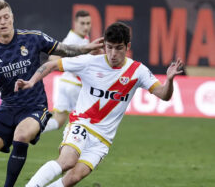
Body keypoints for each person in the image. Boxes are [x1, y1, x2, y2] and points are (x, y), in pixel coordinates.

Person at [15, 22, 184, 187]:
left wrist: (169, 80)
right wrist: (31, 81)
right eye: (109, 47)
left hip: (103, 138)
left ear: (127, 46)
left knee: (73, 178)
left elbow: (164, 95)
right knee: (67, 161)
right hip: (82, 124)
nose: (112, 53)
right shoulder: (90, 62)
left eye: (118, 48)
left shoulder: (138, 71)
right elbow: (52, 64)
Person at [0, 0, 103, 187]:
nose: (3, 22)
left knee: (22, 135)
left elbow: (63, 49)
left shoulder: (33, 37)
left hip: (34, 106)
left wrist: (86, 48)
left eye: (6, 17)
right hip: (8, 108)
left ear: (12, 18)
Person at [44, 10, 91, 132]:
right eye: (82, 23)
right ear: (75, 23)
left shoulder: (82, 38)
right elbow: (53, 57)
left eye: (88, 23)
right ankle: (72, 145)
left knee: (58, 121)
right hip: (75, 86)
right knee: (83, 123)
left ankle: (31, 129)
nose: (85, 27)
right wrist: (71, 60)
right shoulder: (72, 40)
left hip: (64, 83)